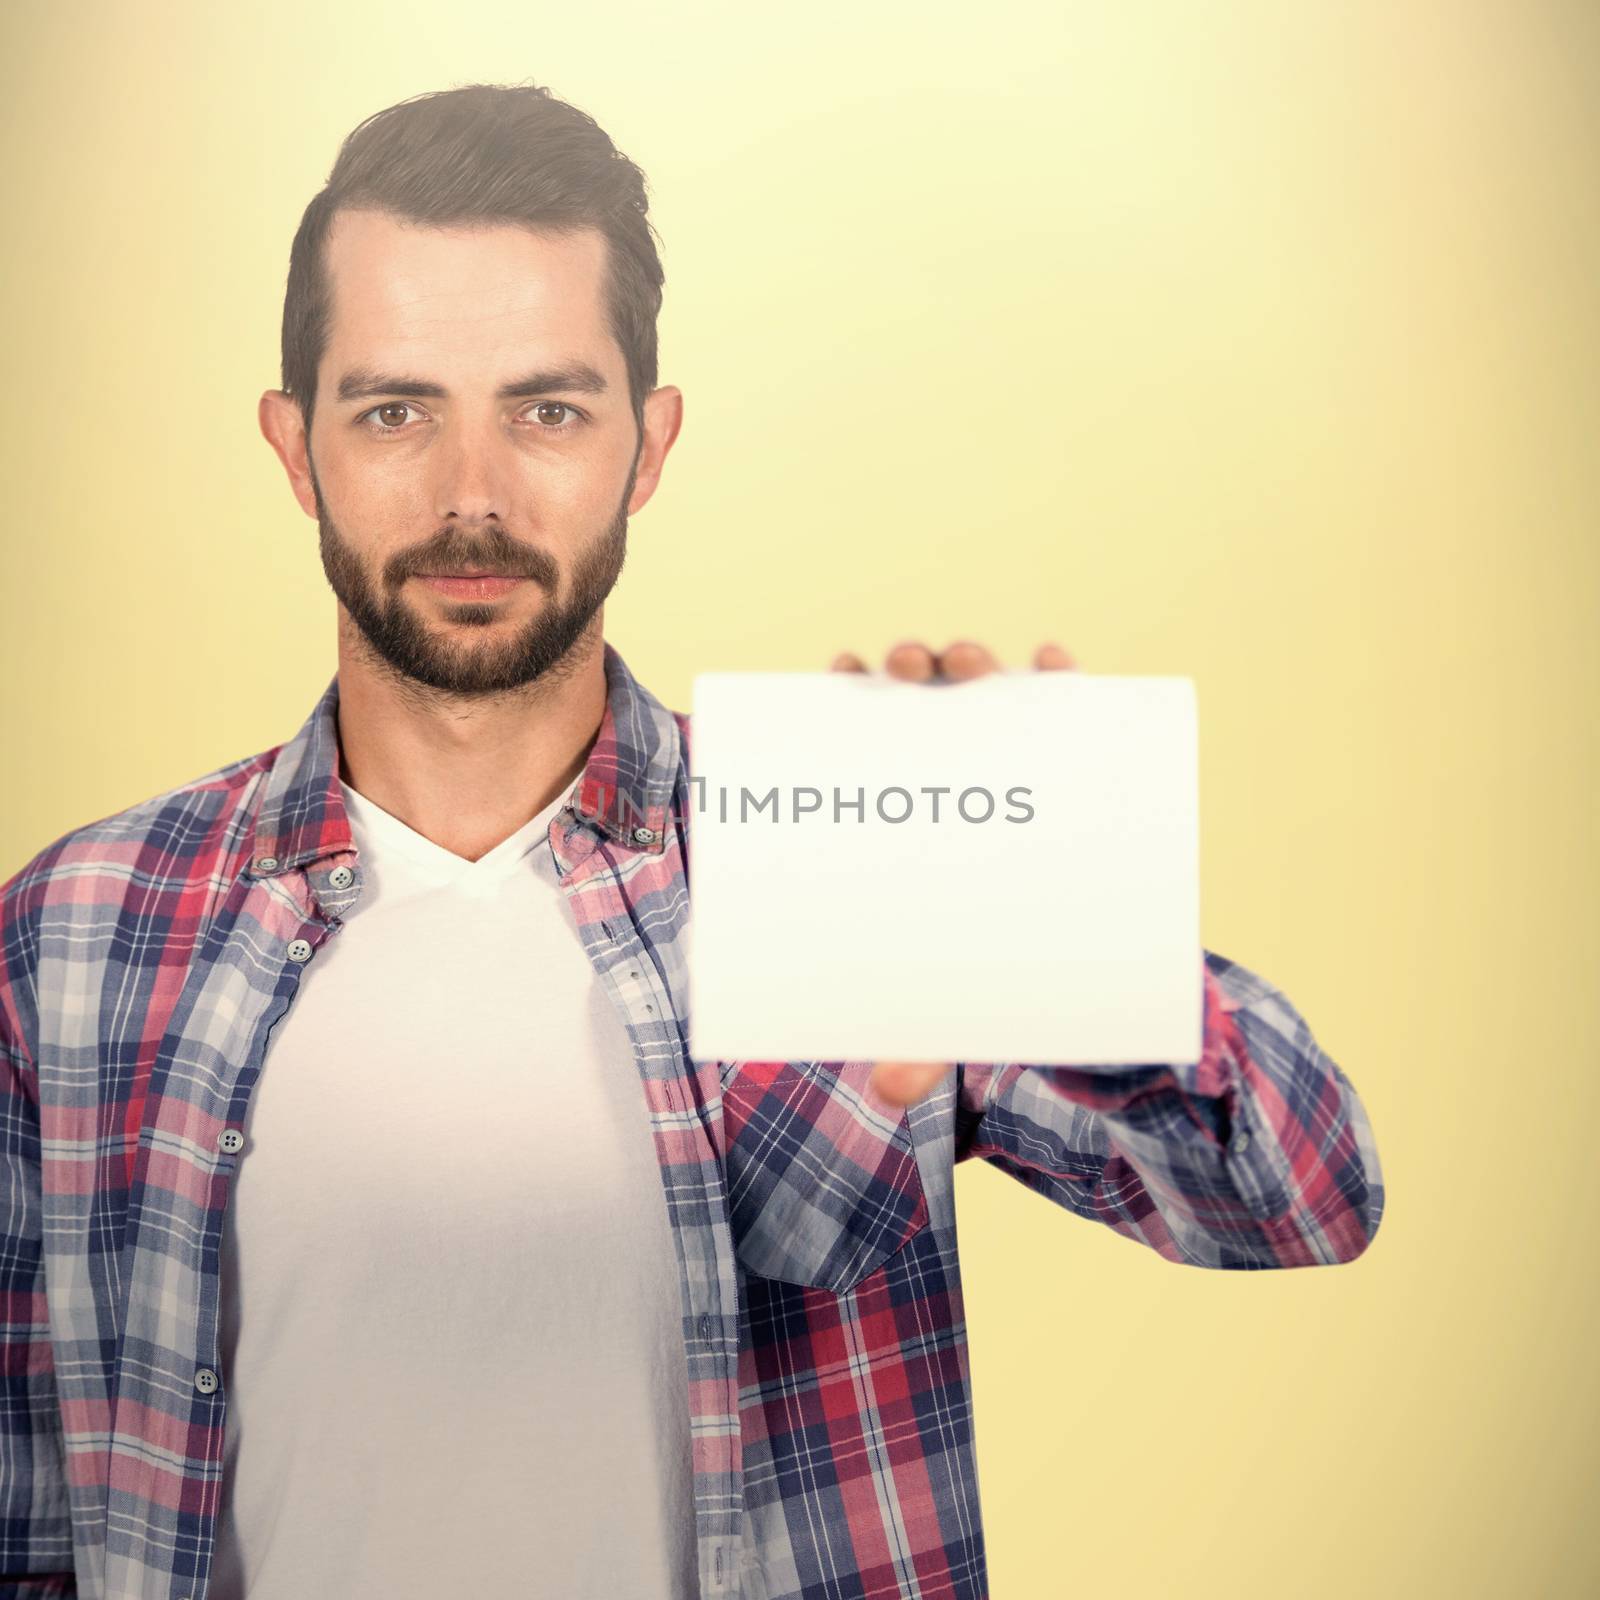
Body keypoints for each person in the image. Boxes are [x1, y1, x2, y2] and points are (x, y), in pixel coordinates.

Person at [0, 82, 1385, 1600]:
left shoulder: (844, 869)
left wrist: (1058, 905)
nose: (474, 496)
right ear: (294, 446)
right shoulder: (77, 933)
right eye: (396, 410)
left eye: (549, 410)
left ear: (648, 446)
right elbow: (26, 1516)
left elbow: (1303, 1197)